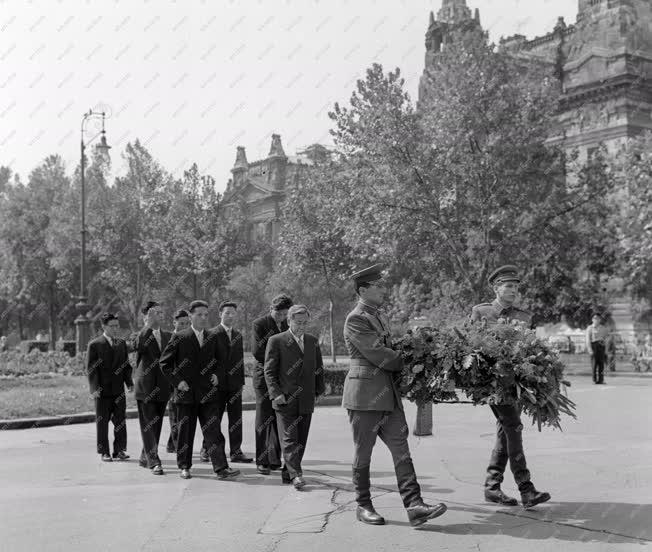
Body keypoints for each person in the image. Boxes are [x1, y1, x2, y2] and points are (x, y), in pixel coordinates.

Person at [342, 263, 447, 527]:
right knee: (363, 452)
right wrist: (414, 360)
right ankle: (363, 505)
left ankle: (414, 505)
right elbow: (379, 355)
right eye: (378, 286)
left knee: (402, 451)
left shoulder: (378, 316)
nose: (383, 289)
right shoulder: (356, 318)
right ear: (363, 289)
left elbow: (390, 349)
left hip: (386, 395)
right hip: (364, 396)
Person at [470, 264, 551, 509]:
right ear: (496, 288)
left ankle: (492, 487)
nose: (514, 290)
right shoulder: (481, 312)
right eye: (508, 286)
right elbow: (471, 348)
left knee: (505, 431)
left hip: (518, 384)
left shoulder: (525, 317)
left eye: (516, 287)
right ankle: (526, 489)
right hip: (493, 384)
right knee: (513, 426)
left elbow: (534, 350)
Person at [159, 300, 239, 481]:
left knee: (213, 432)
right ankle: (185, 467)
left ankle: (221, 468)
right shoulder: (180, 337)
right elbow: (164, 364)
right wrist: (178, 382)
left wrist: (217, 374)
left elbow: (221, 360)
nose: (203, 318)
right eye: (199, 315)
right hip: (186, 394)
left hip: (208, 394)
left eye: (206, 314)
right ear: (191, 316)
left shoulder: (213, 336)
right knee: (185, 432)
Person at [264, 304, 325, 490]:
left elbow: (318, 369)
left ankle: (288, 473)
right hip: (285, 399)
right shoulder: (277, 340)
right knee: (289, 439)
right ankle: (296, 475)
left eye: (305, 323)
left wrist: (319, 391)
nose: (301, 326)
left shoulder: (312, 341)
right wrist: (276, 394)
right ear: (289, 320)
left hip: (306, 398)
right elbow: (269, 371)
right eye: (298, 322)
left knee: (300, 440)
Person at [199, 301, 252, 464]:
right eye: (227, 312)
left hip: (235, 385)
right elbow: (206, 360)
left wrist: (241, 382)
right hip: (217, 385)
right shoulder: (212, 333)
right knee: (214, 419)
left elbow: (239, 360)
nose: (230, 315)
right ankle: (206, 448)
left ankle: (236, 451)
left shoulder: (237, 335)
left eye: (233, 313)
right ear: (220, 314)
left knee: (236, 419)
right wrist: (210, 379)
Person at [251, 294, 293, 475]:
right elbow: (257, 351)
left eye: (285, 314)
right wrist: (279, 360)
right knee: (263, 417)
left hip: (281, 378)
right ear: (271, 309)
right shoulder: (259, 324)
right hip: (264, 377)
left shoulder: (287, 324)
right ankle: (261, 459)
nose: (282, 318)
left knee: (279, 417)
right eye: (279, 313)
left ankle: (275, 458)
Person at [130, 301, 172, 475]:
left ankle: (144, 456)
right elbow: (137, 346)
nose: (159, 316)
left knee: (156, 425)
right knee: (148, 425)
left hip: (163, 387)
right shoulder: (140, 335)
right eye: (154, 313)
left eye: (161, 313)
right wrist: (147, 325)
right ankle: (154, 461)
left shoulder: (169, 336)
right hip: (145, 387)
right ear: (145, 316)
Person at [86, 313, 134, 462]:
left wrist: (129, 383)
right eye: (112, 326)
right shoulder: (95, 345)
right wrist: (94, 389)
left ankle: (119, 450)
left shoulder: (121, 344)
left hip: (118, 390)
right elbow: (91, 369)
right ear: (103, 327)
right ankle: (104, 451)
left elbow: (126, 366)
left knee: (120, 421)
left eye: (116, 326)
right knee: (102, 422)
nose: (115, 329)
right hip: (102, 391)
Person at [165, 309, 190, 454]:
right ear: (174, 323)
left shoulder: (188, 337)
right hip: (171, 384)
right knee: (175, 416)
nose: (184, 326)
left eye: (187, 323)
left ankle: (171, 444)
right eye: (181, 323)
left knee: (181, 417)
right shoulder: (170, 338)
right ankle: (177, 446)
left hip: (185, 383)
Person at [585, 314, 608, 384]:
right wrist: (589, 349)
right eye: (595, 318)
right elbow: (588, 340)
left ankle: (601, 379)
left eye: (598, 318)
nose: (596, 320)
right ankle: (594, 379)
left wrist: (606, 349)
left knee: (601, 364)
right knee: (594, 364)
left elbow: (605, 338)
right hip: (594, 346)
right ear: (592, 319)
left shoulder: (603, 328)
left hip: (601, 346)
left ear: (600, 319)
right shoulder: (590, 328)